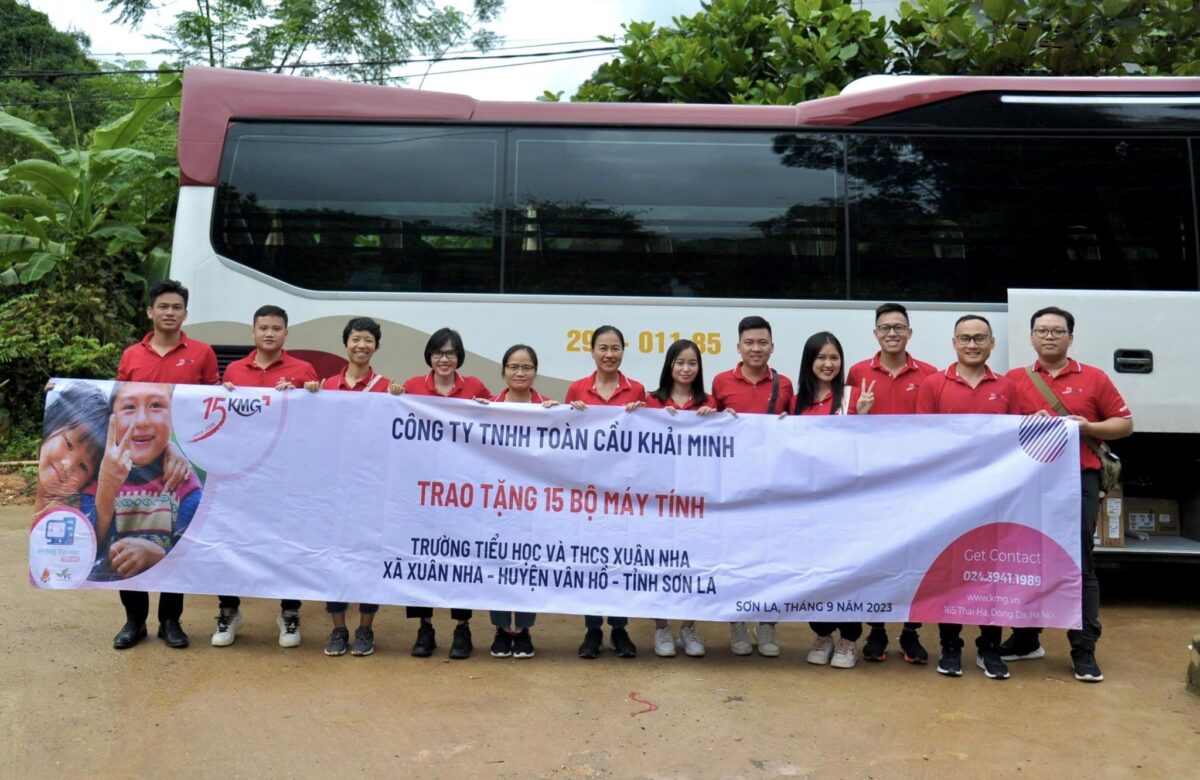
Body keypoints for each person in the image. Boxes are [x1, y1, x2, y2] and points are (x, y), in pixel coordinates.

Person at [1002, 306, 1132, 683]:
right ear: (1031, 337)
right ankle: (1026, 639)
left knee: (1078, 562)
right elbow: (997, 428)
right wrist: (1024, 424)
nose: (1049, 336)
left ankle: (1083, 648)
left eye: (1057, 331)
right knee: (1026, 559)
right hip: (1028, 483)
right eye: (1041, 330)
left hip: (1078, 480)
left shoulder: (1094, 378)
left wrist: (1088, 427)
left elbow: (1124, 424)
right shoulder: (1013, 380)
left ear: (1070, 338)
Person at [108, 279, 218, 651]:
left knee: (178, 538)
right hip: (134, 464)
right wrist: (60, 392)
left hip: (182, 465)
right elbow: (114, 401)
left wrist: (179, 449)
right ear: (150, 311)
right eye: (163, 307)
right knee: (128, 536)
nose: (170, 313)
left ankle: (171, 621)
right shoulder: (131, 355)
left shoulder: (202, 354)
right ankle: (134, 621)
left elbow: (209, 408)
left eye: (177, 307)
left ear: (185, 313)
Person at [916, 314, 1018, 680]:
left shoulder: (1006, 386)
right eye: (965, 338)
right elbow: (922, 438)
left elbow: (1016, 440)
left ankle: (989, 647)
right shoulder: (933, 383)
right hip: (949, 494)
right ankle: (951, 646)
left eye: (979, 338)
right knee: (950, 570)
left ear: (992, 343)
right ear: (954, 342)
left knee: (991, 569)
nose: (972, 344)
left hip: (993, 495)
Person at [214, 305, 318, 649]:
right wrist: (224, 396)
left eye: (276, 328)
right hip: (241, 473)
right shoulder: (234, 370)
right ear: (253, 332)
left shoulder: (303, 371)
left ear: (286, 333)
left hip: (287, 474)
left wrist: (306, 394)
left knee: (288, 541)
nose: (269, 333)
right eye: (263, 328)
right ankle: (229, 610)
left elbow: (315, 417)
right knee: (231, 539)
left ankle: (289, 612)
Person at [846, 303, 938, 665]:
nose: (892, 333)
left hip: (916, 482)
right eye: (885, 327)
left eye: (899, 327)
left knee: (915, 557)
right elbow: (843, 429)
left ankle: (911, 632)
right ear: (875, 333)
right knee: (875, 556)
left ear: (910, 333)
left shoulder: (930, 375)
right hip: (872, 482)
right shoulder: (857, 372)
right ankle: (878, 630)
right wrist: (860, 413)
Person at [304, 317, 401, 657]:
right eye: (356, 339)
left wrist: (399, 399)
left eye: (368, 340)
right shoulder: (326, 386)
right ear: (346, 343)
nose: (362, 345)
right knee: (334, 558)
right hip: (332, 489)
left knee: (368, 556)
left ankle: (365, 628)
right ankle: (338, 628)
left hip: (372, 489)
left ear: (376, 346)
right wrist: (308, 395)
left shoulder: (388, 387)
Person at [397, 328, 491, 659]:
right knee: (419, 555)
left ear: (459, 356)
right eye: (438, 353)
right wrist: (393, 398)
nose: (444, 359)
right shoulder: (411, 386)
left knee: (460, 556)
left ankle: (462, 628)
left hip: (462, 489)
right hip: (420, 488)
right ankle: (425, 627)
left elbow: (506, 416)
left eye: (451, 353)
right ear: (429, 356)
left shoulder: (475, 387)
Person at [710, 315, 794, 657]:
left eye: (762, 343)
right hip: (732, 489)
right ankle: (738, 623)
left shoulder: (785, 385)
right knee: (734, 557)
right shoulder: (720, 382)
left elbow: (799, 435)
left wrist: (789, 425)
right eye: (749, 343)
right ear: (738, 347)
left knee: (771, 558)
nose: (756, 348)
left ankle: (768, 625)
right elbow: (704, 429)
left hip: (772, 488)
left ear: (772, 347)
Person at [631, 339, 718, 658]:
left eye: (692, 363)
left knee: (695, 560)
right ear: (669, 365)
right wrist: (638, 415)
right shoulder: (651, 400)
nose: (686, 368)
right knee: (659, 562)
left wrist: (716, 418)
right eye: (680, 362)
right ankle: (662, 627)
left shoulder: (709, 402)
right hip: (658, 498)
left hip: (697, 498)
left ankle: (689, 627)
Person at [791, 332, 873, 668]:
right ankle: (822, 632)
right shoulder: (796, 403)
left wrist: (863, 417)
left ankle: (849, 637)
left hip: (846, 501)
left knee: (846, 569)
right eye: (821, 357)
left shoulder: (853, 397)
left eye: (834, 358)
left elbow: (865, 448)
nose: (828, 364)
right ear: (809, 362)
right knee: (813, 569)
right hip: (809, 502)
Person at [565, 325, 646, 659]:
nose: (609, 355)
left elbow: (653, 439)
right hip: (588, 493)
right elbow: (564, 438)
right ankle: (593, 629)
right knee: (590, 561)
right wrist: (570, 413)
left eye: (615, 348)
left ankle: (620, 629)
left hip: (625, 493)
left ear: (623, 351)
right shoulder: (577, 389)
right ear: (592, 351)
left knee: (621, 560)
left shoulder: (636, 389)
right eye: (603, 348)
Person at [480, 344, 556, 659]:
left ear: (535, 372)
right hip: (496, 501)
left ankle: (523, 630)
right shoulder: (488, 407)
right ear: (504, 371)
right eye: (513, 367)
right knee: (497, 562)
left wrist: (567, 414)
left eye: (526, 367)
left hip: (534, 504)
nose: (520, 373)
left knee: (528, 564)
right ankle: (500, 628)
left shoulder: (550, 410)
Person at [36, 384, 109, 513]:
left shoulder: (80, 517)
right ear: (52, 424)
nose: (67, 466)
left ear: (88, 481)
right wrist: (51, 393)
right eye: (69, 444)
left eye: (83, 466)